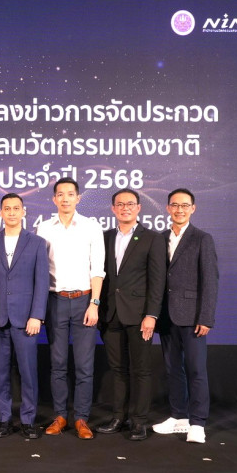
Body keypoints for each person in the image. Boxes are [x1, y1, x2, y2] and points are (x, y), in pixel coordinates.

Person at [36, 177, 105, 440]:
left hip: (84, 301)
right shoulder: (44, 228)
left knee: (84, 365)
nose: (65, 198)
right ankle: (60, 416)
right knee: (58, 364)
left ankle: (82, 418)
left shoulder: (91, 227)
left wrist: (94, 303)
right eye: (60, 194)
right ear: (54, 199)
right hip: (54, 301)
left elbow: (98, 268)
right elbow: (39, 270)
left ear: (78, 198)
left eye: (70, 194)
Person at [97, 189, 166, 441]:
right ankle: (119, 417)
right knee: (118, 369)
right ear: (113, 209)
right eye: (120, 204)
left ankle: (139, 421)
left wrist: (152, 315)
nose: (124, 208)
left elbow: (157, 281)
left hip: (139, 316)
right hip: (110, 313)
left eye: (130, 204)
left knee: (141, 370)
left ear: (138, 208)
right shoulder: (104, 237)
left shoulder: (152, 238)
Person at [152, 188, 218, 444]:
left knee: (196, 369)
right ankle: (179, 416)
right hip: (166, 316)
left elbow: (210, 281)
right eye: (175, 205)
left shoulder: (202, 238)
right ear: (168, 208)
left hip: (193, 317)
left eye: (185, 205)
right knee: (173, 370)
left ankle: (198, 422)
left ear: (193, 208)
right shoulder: (160, 239)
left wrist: (206, 317)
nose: (179, 209)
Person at [0, 193, 49, 439]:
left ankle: (28, 420)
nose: (11, 212)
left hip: (26, 320)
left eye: (16, 208)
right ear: (0, 213)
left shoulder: (37, 242)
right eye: (7, 208)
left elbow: (42, 282)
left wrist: (37, 315)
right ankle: (4, 419)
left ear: (23, 212)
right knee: (0, 374)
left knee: (28, 373)